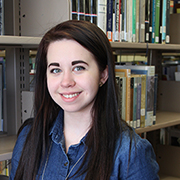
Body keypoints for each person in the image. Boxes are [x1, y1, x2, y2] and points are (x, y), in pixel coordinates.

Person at [10, 20, 159, 180]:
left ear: (103, 74)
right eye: (56, 70)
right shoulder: (29, 136)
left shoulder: (130, 152)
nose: (66, 81)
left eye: (78, 68)